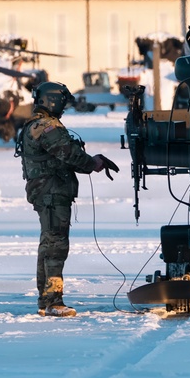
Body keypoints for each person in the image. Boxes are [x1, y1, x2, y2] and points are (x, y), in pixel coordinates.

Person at [17, 81, 119, 317]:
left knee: (48, 244)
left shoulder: (39, 125)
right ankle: (54, 301)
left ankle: (45, 300)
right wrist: (92, 163)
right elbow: (68, 154)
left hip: (49, 192)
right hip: (51, 192)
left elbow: (64, 156)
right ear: (52, 100)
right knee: (56, 246)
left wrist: (94, 161)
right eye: (62, 102)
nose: (63, 108)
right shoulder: (46, 126)